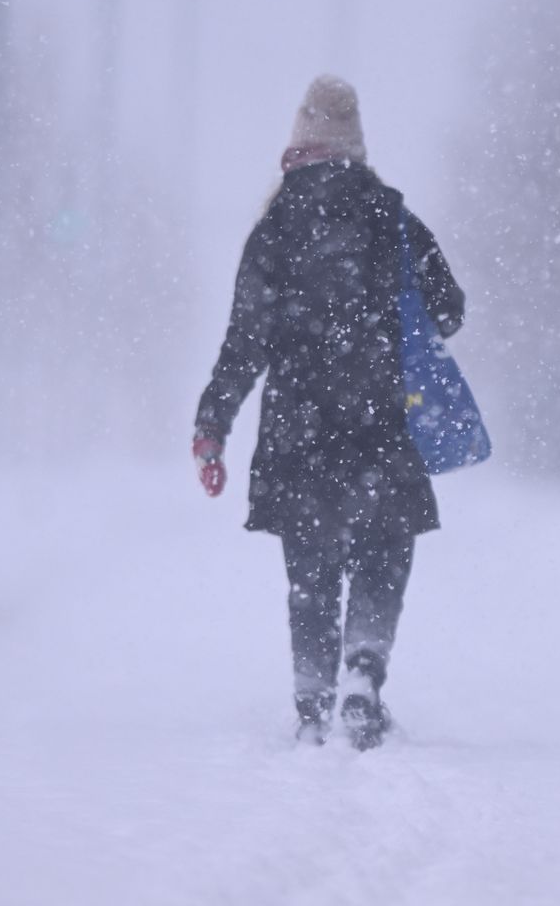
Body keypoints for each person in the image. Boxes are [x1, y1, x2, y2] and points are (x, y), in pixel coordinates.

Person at [192, 74, 464, 749]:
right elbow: (451, 309)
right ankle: (363, 677)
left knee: (310, 572)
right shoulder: (392, 218)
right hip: (381, 420)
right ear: (355, 143)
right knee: (380, 555)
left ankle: (314, 704)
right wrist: (390, 314)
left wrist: (212, 425)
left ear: (299, 142)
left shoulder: (275, 229)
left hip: (299, 428)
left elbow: (244, 341)